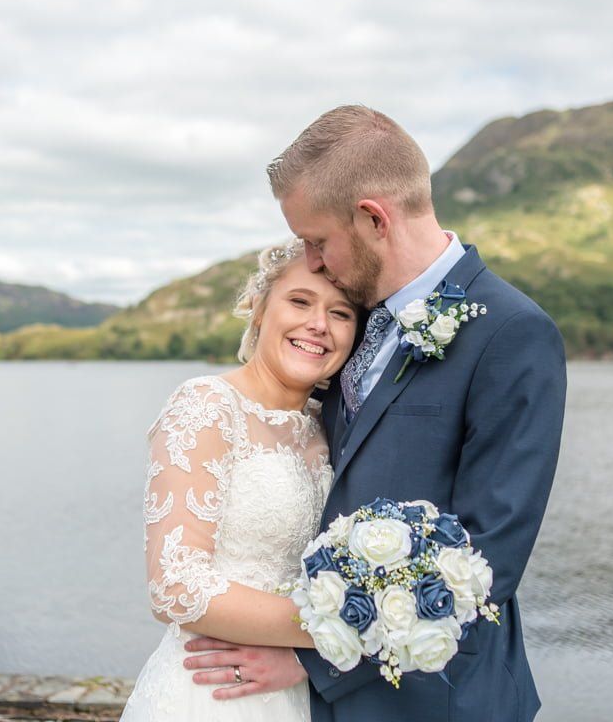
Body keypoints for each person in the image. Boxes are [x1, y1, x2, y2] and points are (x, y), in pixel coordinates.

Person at [182, 105, 567, 722]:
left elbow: (489, 561)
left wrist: (316, 660)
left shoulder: (513, 333)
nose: (312, 260)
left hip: (438, 701)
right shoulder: (350, 319)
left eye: (318, 241)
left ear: (373, 219)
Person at [118, 240, 359, 722]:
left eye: (341, 313)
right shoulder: (206, 406)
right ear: (259, 310)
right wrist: (348, 628)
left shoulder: (329, 427)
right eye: (300, 301)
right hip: (211, 693)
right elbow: (176, 586)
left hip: (299, 691)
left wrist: (310, 660)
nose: (319, 324)